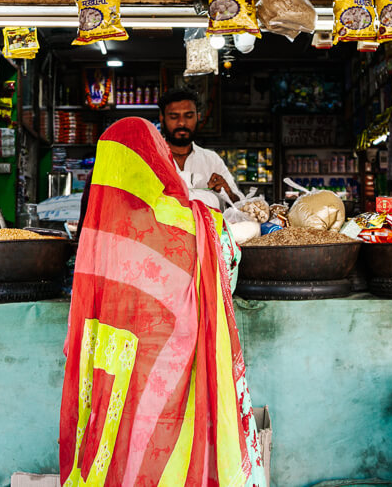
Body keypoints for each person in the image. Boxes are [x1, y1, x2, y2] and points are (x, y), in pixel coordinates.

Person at [60, 117, 267, 487]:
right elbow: (227, 259)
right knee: (170, 445)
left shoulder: (97, 232)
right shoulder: (192, 223)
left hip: (116, 367)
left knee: (121, 445)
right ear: (156, 159)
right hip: (174, 367)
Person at [158, 87, 242, 210]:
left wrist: (228, 193)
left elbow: (240, 206)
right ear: (162, 118)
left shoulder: (211, 160)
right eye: (174, 116)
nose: (182, 123)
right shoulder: (152, 159)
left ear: (198, 117)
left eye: (188, 116)